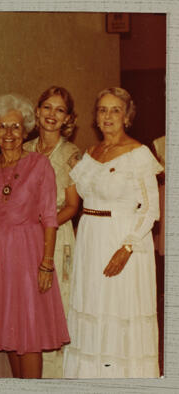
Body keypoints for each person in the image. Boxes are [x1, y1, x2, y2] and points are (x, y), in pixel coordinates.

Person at [63, 87, 162, 378]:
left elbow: (151, 211)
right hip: (90, 240)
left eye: (115, 110)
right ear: (95, 117)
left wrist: (127, 247)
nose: (108, 116)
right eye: (102, 110)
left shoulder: (139, 154)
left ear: (127, 116)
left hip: (123, 241)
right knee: (92, 307)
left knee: (119, 310)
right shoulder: (90, 154)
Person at [0, 93, 70, 379]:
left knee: (29, 336)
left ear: (26, 130)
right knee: (10, 337)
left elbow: (50, 217)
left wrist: (46, 263)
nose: (9, 133)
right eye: (3, 127)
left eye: (16, 127)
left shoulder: (39, 164)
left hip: (30, 257)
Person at [23, 86, 80, 378]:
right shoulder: (25, 149)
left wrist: (47, 223)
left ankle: (58, 378)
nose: (52, 115)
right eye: (47, 107)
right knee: (32, 302)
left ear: (67, 118)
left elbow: (72, 204)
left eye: (59, 110)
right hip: (28, 238)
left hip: (57, 236)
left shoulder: (71, 154)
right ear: (37, 111)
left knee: (58, 301)